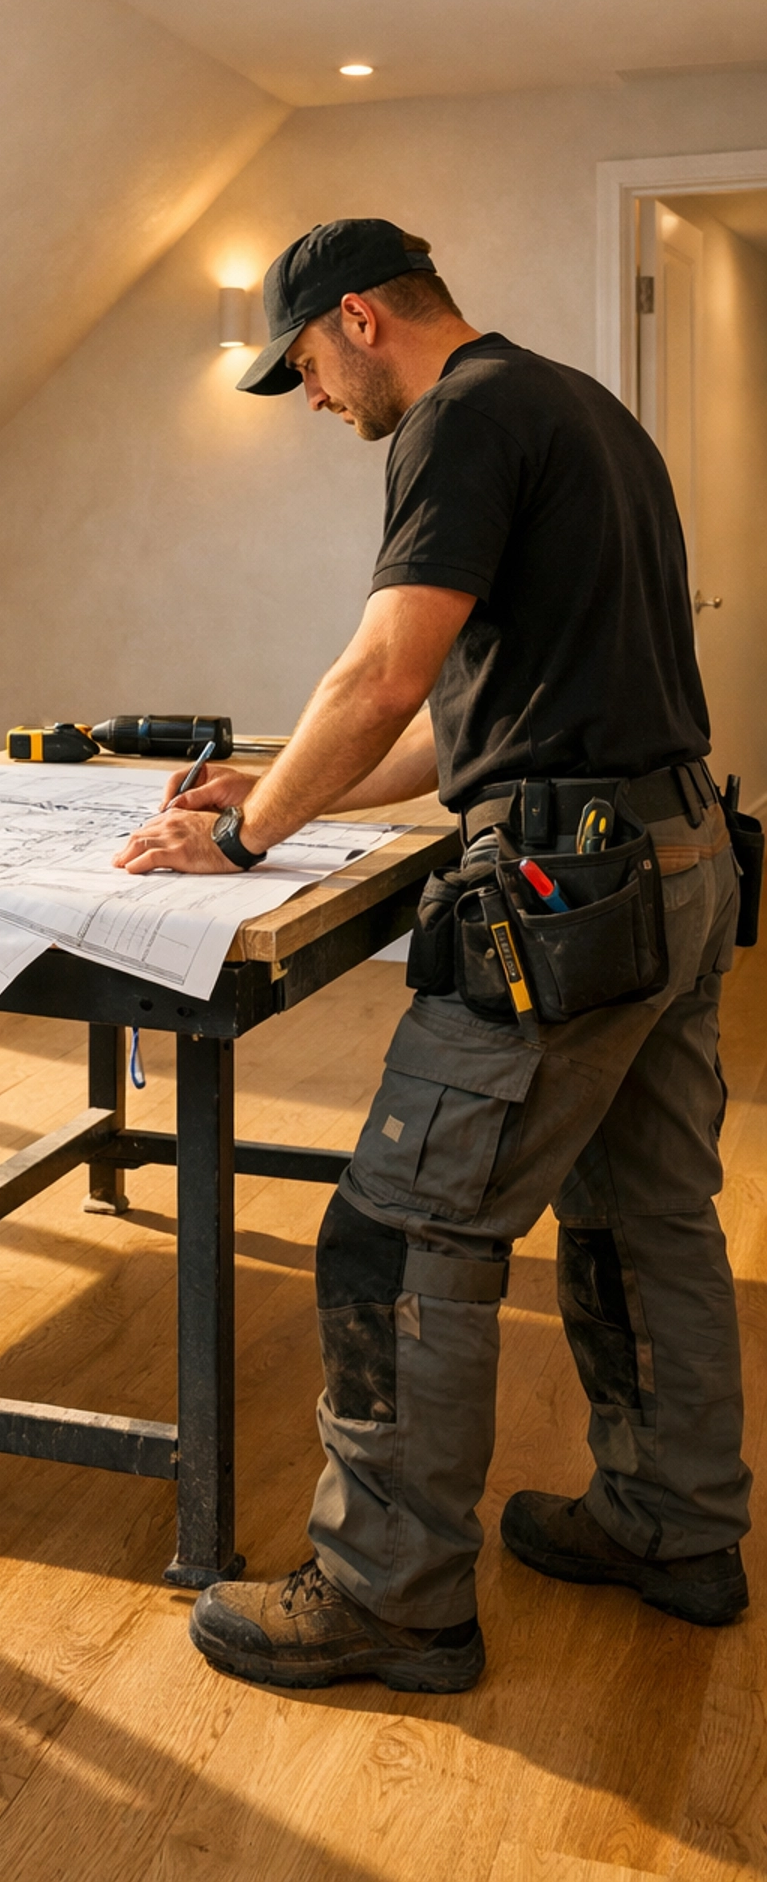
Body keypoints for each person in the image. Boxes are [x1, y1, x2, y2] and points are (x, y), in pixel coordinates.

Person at [115, 217, 750, 1693]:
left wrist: (245, 838)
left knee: (397, 1232)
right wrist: (271, 780)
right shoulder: (576, 405)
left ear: (360, 320)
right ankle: (673, 1527)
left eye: (310, 371)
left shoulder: (456, 420)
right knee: (642, 1211)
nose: (318, 404)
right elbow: (459, 723)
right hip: (675, 857)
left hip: (569, 890)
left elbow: (384, 665)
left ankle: (388, 1595)